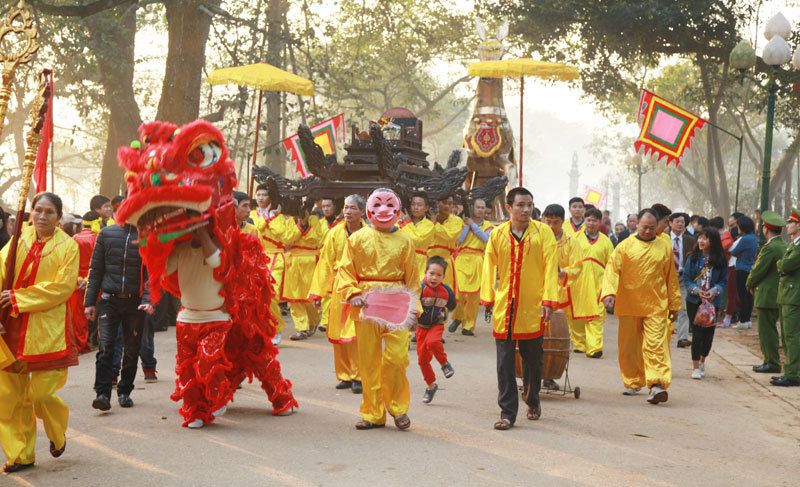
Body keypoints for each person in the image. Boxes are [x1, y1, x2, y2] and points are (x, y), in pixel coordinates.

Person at [0, 192, 79, 473]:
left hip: (47, 331)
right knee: (9, 397)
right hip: (11, 326)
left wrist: (19, 298)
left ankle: (57, 433)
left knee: (42, 394)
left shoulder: (68, 247)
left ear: (59, 217)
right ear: (31, 211)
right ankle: (20, 455)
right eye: (38, 210)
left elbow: (63, 287)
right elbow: (1, 274)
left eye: (49, 212)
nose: (42, 217)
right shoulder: (18, 239)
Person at [338, 188, 420, 430]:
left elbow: (413, 277)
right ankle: (373, 413)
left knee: (397, 358)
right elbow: (345, 270)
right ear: (369, 209)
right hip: (366, 302)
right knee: (369, 361)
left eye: (389, 204)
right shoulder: (357, 239)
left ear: (398, 208)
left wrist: (415, 310)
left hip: (398, 302)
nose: (383, 209)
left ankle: (397, 408)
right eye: (378, 204)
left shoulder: (406, 240)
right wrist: (352, 293)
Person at [482, 187, 558, 430]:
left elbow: (550, 267)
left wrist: (548, 300)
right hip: (505, 305)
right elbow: (488, 266)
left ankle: (532, 398)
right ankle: (507, 412)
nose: (526, 210)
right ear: (509, 207)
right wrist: (488, 297)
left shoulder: (543, 232)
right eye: (521, 205)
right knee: (504, 362)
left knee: (533, 360)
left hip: (533, 305)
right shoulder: (498, 234)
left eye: (529, 205)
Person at [601, 208, 681, 404]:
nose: (647, 231)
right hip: (629, 304)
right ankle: (633, 380)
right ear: (636, 225)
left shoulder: (664, 246)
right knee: (629, 347)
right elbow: (612, 270)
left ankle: (657, 385)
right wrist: (609, 293)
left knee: (656, 345)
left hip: (656, 305)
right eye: (644, 227)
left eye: (652, 228)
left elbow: (671, 277)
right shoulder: (624, 246)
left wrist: (674, 303)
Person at [86, 219, 153, 411]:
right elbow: (96, 270)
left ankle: (125, 391)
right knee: (106, 347)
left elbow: (152, 272)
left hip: (136, 303)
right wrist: (90, 302)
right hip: (108, 301)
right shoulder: (106, 234)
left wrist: (148, 299)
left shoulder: (148, 237)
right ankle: (102, 393)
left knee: (132, 350)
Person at [309, 194, 365, 394]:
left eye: (352, 208)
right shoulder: (335, 233)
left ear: (362, 212)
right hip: (337, 289)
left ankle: (359, 376)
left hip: (360, 290)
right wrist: (318, 292)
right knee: (338, 334)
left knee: (356, 334)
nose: (347, 211)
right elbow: (324, 263)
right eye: (345, 207)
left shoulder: (369, 233)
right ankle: (345, 375)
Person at [541, 204, 598, 356]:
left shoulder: (572, 242)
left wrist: (564, 273)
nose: (552, 226)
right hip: (542, 286)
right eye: (548, 222)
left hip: (564, 286)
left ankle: (574, 343)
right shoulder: (538, 240)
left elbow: (578, 265)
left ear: (563, 221)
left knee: (567, 319)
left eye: (556, 222)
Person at [251, 185, 303, 345]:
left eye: (264, 194)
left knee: (271, 294)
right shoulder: (252, 214)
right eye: (258, 194)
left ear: (270, 198)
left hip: (276, 258)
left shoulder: (280, 217)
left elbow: (288, 237)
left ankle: (275, 328)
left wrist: (272, 218)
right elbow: (256, 228)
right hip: (256, 257)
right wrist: (267, 218)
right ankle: (263, 329)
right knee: (257, 296)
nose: (260, 197)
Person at [683, 229, 728, 379]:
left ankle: (703, 360)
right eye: (700, 238)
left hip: (712, 302)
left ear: (713, 241)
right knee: (697, 333)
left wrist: (714, 291)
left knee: (708, 335)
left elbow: (723, 281)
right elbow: (687, 279)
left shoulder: (720, 260)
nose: (701, 241)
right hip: (694, 301)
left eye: (705, 239)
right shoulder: (693, 257)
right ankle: (695, 367)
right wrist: (696, 290)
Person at [746, 211, 787, 374]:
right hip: (776, 293)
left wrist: (749, 283)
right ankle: (770, 361)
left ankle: (772, 362)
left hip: (766, 294)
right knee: (771, 329)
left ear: (766, 229)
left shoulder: (770, 248)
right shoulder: (783, 245)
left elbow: (758, 270)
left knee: (767, 331)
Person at [449, 198, 493, 335]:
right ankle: (458, 318)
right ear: (472, 208)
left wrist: (472, 225)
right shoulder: (462, 223)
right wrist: (467, 225)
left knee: (474, 296)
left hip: (478, 260)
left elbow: (486, 239)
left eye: (483, 207)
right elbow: (459, 240)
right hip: (462, 259)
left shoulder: (489, 226)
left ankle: (468, 326)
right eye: (478, 207)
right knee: (459, 292)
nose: (481, 210)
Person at [576, 208, 615, 358]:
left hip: (599, 284)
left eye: (594, 220)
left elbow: (611, 265)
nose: (591, 223)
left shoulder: (606, 242)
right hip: (579, 284)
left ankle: (594, 348)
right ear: (584, 220)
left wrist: (610, 288)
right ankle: (580, 343)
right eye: (588, 220)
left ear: (600, 222)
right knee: (578, 315)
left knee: (596, 315)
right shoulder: (575, 238)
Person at [417, 256, 456, 403]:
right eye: (431, 273)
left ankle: (444, 364)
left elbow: (452, 305)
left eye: (439, 275)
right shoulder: (420, 287)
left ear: (443, 277)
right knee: (422, 360)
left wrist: (443, 310)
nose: (434, 277)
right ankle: (431, 385)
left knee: (433, 342)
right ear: (426, 272)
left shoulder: (446, 290)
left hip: (437, 324)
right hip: (421, 327)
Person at [285, 208, 324, 340]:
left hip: (311, 260)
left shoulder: (314, 220)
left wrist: (306, 224)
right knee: (294, 296)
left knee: (310, 296)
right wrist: (300, 226)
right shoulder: (290, 221)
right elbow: (287, 239)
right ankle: (301, 328)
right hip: (294, 260)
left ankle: (312, 322)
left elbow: (316, 239)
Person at [773, 208, 800, 387]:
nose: (787, 225)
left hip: (794, 296)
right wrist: (781, 264)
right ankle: (789, 370)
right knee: (787, 336)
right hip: (787, 295)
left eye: (791, 222)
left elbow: (787, 264)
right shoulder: (793, 244)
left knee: (792, 336)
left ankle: (793, 373)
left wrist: (780, 264)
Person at [668, 212, 696, 348]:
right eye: (677, 221)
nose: (680, 224)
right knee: (665, 307)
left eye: (683, 222)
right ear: (670, 223)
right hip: (666, 278)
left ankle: (683, 338)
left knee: (684, 308)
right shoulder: (662, 239)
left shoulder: (690, 240)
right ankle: (663, 335)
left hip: (683, 277)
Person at [428, 194, 464, 296]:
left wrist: (435, 224)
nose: (448, 206)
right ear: (437, 204)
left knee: (445, 295)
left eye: (450, 203)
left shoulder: (457, 221)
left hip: (446, 261)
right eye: (444, 203)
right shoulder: (426, 220)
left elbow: (450, 236)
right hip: (427, 261)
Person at [399, 192, 435, 282]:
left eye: (419, 205)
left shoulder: (429, 225)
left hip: (419, 262)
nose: (415, 207)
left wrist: (407, 224)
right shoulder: (401, 221)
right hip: (401, 259)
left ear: (426, 208)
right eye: (413, 204)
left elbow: (417, 242)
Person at [731, 216, 758, 330]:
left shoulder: (744, 238)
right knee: (748, 296)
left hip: (741, 268)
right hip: (750, 268)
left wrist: (739, 254)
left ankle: (742, 321)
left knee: (742, 295)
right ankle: (747, 320)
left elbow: (733, 252)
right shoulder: (753, 237)